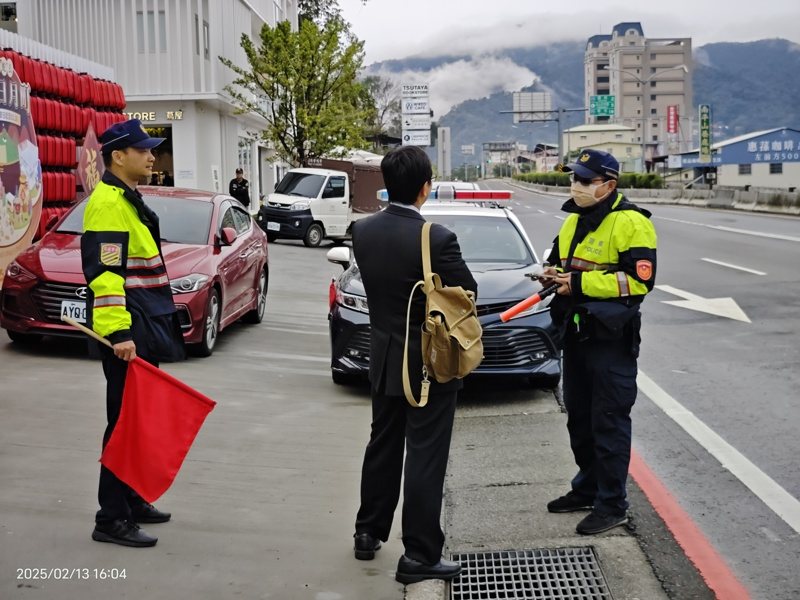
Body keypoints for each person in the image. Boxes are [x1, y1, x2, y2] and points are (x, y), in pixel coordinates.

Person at [351, 146, 477, 584]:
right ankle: (420, 555)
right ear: (426, 187)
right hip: (428, 366)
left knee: (382, 445)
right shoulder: (436, 238)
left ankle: (368, 532)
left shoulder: (362, 231)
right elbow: (467, 292)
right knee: (424, 456)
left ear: (389, 184)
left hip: (383, 358)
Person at [81, 119, 186, 548]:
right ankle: (111, 518)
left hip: (145, 322)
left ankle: (132, 498)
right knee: (123, 423)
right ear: (118, 156)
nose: (152, 156)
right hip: (129, 331)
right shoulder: (107, 203)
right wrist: (120, 333)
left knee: (138, 421)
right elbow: (105, 276)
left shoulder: (127, 197)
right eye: (143, 150)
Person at [541, 149, 657, 535]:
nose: (576, 186)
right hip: (576, 333)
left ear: (609, 184)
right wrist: (551, 274)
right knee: (580, 419)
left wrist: (577, 283)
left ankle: (613, 504)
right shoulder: (574, 220)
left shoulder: (632, 223)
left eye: (585, 181)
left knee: (608, 422)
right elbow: (563, 262)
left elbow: (638, 282)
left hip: (610, 338)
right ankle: (587, 488)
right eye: (574, 178)